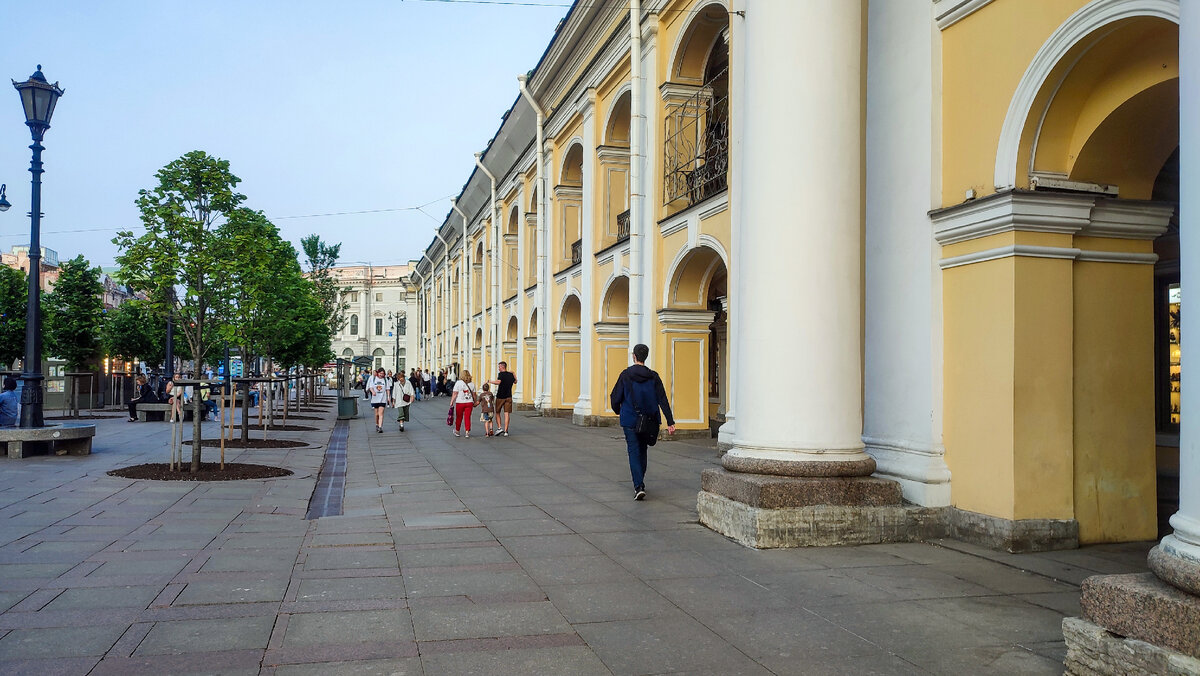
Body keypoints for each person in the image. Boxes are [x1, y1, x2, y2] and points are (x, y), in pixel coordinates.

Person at [609, 343, 676, 501]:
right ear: (646, 357)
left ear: (634, 356)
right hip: (649, 420)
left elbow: (615, 397)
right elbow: (663, 400)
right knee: (643, 450)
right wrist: (670, 421)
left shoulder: (625, 375)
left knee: (633, 451)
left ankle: (638, 485)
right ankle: (640, 482)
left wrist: (619, 410)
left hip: (630, 419)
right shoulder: (654, 376)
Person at [488, 361, 517, 436]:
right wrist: (514, 374)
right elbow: (515, 382)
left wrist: (490, 381)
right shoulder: (510, 375)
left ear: (502, 367)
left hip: (500, 396)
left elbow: (498, 382)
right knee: (506, 413)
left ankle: (499, 428)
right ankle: (506, 431)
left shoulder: (501, 374)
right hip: (509, 396)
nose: (498, 368)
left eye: (499, 367)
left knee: (497, 412)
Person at [451, 369, 477, 438]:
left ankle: (457, 431)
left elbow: (455, 393)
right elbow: (474, 394)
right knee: (467, 417)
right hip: (469, 402)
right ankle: (467, 432)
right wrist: (475, 401)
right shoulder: (472, 384)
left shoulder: (458, 383)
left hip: (460, 402)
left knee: (459, 417)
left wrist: (451, 402)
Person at [366, 367, 390, 433]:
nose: (381, 375)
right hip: (375, 399)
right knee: (376, 414)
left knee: (381, 413)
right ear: (378, 373)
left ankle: (380, 427)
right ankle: (377, 424)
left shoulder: (385, 380)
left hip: (383, 398)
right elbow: (370, 387)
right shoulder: (373, 379)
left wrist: (388, 397)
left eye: (383, 373)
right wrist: (373, 391)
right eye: (380, 373)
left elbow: (387, 389)